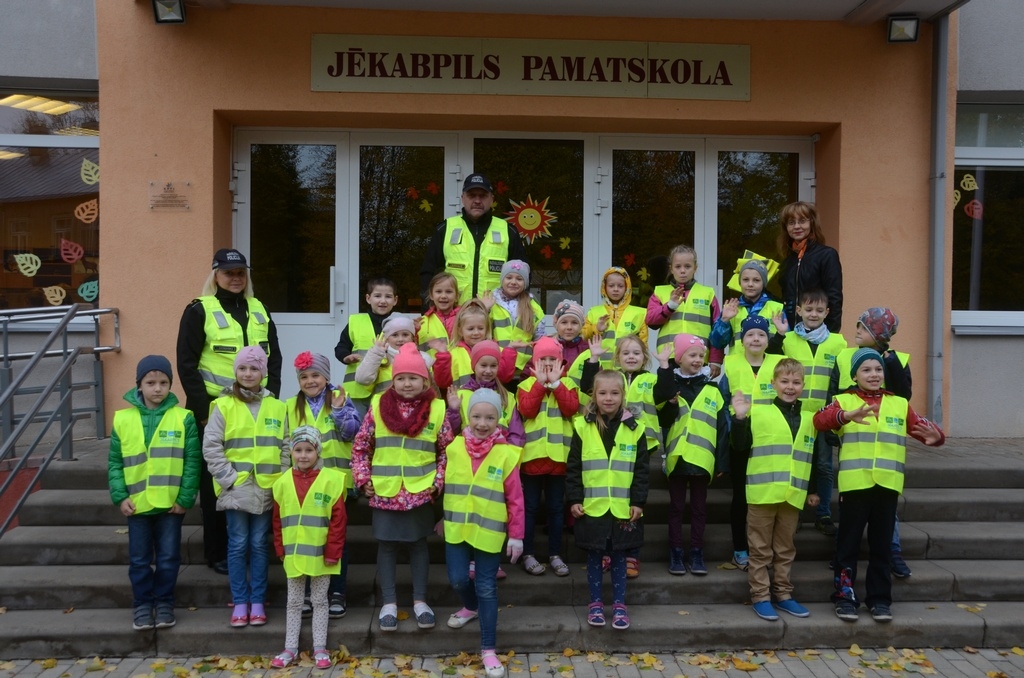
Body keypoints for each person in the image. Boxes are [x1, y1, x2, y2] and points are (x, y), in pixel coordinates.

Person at [814, 348, 944, 623]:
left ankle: (880, 600)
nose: (873, 374)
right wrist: (845, 417)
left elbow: (924, 430)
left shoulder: (899, 403)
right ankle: (844, 596)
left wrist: (937, 438)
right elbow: (819, 421)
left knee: (882, 546)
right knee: (847, 545)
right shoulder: (842, 400)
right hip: (855, 487)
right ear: (855, 375)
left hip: (887, 486)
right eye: (866, 370)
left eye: (878, 369)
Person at [176, 247, 282, 576]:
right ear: (216, 275)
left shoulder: (259, 309)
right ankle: (218, 550)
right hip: (215, 409)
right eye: (228, 273)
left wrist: (271, 399)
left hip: (256, 409)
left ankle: (256, 544)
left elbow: (274, 358)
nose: (235, 278)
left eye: (240, 273)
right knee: (217, 484)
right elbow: (186, 363)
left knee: (258, 474)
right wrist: (204, 411)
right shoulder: (199, 310)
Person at [351, 343, 456, 632]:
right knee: (386, 547)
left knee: (418, 546)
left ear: (425, 381)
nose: (406, 383)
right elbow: (361, 446)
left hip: (420, 490)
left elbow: (447, 450)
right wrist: (363, 479)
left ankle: (420, 601)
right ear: (393, 380)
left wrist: (438, 482)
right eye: (401, 378)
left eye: (413, 378)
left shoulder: (436, 408)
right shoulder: (377, 406)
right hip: (384, 490)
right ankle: (389, 603)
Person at [108, 355, 201, 631]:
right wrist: (119, 496)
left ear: (171, 385)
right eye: (151, 382)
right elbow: (115, 462)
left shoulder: (183, 418)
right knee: (139, 560)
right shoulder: (123, 419)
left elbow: (192, 461)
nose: (157, 388)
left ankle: (164, 603)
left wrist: (185, 499)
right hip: (136, 505)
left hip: (170, 505)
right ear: (139, 384)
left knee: (169, 557)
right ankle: (142, 605)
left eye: (163, 382)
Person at [730, 359, 821, 622]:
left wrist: (812, 489)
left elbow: (810, 456)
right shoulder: (757, 412)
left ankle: (784, 594)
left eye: (795, 382)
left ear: (803, 385)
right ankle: (760, 596)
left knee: (785, 549)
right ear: (773, 384)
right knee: (759, 550)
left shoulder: (809, 418)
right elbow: (739, 446)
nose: (790, 387)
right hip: (762, 493)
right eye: (784, 382)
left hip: (792, 494)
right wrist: (739, 418)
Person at [443, 389, 525, 678]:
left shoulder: (506, 454)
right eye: (476, 416)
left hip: (489, 533)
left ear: (498, 419)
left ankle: (488, 649)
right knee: (457, 579)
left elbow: (515, 498)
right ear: (468, 416)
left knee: (487, 587)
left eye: (489, 417)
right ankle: (470, 606)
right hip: (456, 529)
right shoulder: (453, 448)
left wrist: (516, 534)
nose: (482, 423)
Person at [203, 345, 286, 628]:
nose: (248, 373)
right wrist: (228, 478)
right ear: (235, 371)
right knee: (238, 543)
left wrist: (282, 478)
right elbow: (212, 446)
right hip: (235, 487)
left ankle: (258, 599)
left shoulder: (277, 406)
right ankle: (240, 600)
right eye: (242, 368)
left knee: (260, 543)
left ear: (263, 373)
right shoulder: (223, 405)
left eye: (254, 368)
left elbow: (285, 445)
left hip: (267, 485)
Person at [828, 307, 913, 577]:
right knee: (852, 505)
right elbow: (833, 391)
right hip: (855, 434)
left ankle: (893, 550)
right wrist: (837, 423)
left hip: (885, 445)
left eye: (863, 328)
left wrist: (888, 362)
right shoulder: (844, 357)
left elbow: (903, 394)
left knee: (886, 510)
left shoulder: (896, 360)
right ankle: (843, 556)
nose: (856, 332)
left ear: (879, 335)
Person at [567, 370, 649, 631]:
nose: (608, 398)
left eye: (615, 393)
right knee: (594, 557)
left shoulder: (636, 429)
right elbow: (573, 468)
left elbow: (642, 470)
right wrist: (574, 499)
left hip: (623, 508)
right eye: (602, 393)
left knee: (619, 557)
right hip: (593, 507)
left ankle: (619, 605)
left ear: (623, 395)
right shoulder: (582, 426)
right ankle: (595, 604)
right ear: (594, 395)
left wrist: (638, 501)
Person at [284, 351, 360, 619]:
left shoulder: (340, 398)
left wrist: (339, 412)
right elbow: (285, 444)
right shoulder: (291, 406)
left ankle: (337, 591)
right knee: (306, 537)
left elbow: (353, 432)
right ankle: (306, 591)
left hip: (336, 481)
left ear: (326, 376)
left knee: (336, 538)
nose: (310, 381)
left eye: (315, 375)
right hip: (303, 484)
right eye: (304, 377)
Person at [768, 289, 847, 537]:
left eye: (819, 310)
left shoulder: (838, 342)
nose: (814, 314)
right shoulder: (789, 339)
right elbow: (773, 364)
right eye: (809, 309)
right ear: (799, 311)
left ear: (827, 313)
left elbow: (840, 380)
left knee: (823, 465)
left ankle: (823, 512)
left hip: (824, 416)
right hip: (796, 414)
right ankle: (796, 509)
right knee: (798, 463)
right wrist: (779, 335)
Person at [270, 427, 347, 670]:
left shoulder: (332, 481)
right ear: (291, 452)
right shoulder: (282, 483)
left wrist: (333, 552)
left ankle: (320, 647)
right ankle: (290, 647)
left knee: (319, 601)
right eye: (298, 450)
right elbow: (277, 520)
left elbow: (338, 522)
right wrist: (281, 550)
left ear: (317, 451)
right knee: (293, 602)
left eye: (309, 450)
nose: (303, 455)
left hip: (321, 556)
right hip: (293, 556)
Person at [657, 335, 728, 577]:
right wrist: (671, 404)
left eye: (701, 355)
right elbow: (664, 421)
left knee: (699, 509)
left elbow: (722, 428)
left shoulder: (713, 389)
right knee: (676, 508)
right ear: (679, 358)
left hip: (703, 460)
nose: (698, 360)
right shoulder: (671, 387)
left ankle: (696, 552)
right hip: (678, 457)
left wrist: (721, 460)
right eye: (692, 355)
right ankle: (675, 552)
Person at [719, 315, 783, 572]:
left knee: (767, 498)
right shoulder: (731, 364)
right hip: (741, 439)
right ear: (742, 340)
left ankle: (765, 550)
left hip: (771, 443)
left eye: (761, 335)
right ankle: (740, 550)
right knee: (741, 497)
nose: (755, 339)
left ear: (768, 340)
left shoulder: (778, 364)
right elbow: (723, 401)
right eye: (750, 335)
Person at [515, 336, 579, 577]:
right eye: (543, 360)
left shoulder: (569, 384)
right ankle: (528, 553)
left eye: (553, 359)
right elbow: (528, 410)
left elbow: (571, 408)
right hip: (532, 459)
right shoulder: (525, 386)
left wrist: (556, 385)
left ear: (561, 362)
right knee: (530, 508)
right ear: (534, 362)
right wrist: (541, 384)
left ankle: (555, 554)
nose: (548, 364)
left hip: (559, 460)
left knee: (555, 510)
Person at [420, 173, 529, 305]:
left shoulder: (508, 231)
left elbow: (524, 276)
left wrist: (522, 312)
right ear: (463, 198)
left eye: (482, 196)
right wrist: (429, 311)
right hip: (453, 316)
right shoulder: (444, 229)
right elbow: (428, 274)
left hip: (496, 318)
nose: (477, 201)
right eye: (472, 195)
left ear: (491, 199)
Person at [646, 244, 723, 375]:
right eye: (678, 266)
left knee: (697, 395)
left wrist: (716, 359)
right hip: (669, 357)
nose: (683, 271)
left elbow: (718, 329)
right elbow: (651, 321)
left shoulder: (707, 293)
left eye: (687, 266)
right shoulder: (660, 292)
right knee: (671, 395)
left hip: (698, 357)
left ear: (695, 268)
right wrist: (670, 306)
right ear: (671, 269)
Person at [334, 277, 401, 416]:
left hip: (387, 390)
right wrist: (346, 357)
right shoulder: (356, 322)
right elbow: (341, 347)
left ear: (395, 300)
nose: (383, 301)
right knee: (357, 431)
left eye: (388, 296)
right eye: (377, 296)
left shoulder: (400, 324)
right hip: (358, 391)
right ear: (368, 298)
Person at [777, 201, 843, 332]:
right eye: (791, 222)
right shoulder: (788, 261)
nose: (797, 226)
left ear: (811, 223)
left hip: (818, 331)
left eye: (802, 221)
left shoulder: (827, 255)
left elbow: (834, 297)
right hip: (790, 331)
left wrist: (830, 332)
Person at [433, 299, 518, 391]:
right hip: (463, 403)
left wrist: (509, 350)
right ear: (460, 331)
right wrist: (442, 357)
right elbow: (442, 383)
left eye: (480, 328)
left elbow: (505, 377)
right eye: (470, 329)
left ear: (487, 329)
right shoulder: (453, 354)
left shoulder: (497, 350)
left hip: (490, 403)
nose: (476, 332)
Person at [482, 260, 545, 377]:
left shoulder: (533, 306)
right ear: (502, 280)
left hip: (524, 368)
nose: (513, 282)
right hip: (495, 365)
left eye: (519, 279)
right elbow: (479, 329)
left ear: (525, 283)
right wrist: (485, 310)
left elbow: (539, 337)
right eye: (509, 277)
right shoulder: (491, 301)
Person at [710, 259, 785, 352]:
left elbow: (786, 344)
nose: (750, 284)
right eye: (745, 280)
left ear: (764, 283)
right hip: (739, 365)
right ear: (740, 282)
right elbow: (717, 343)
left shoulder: (777, 308)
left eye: (756, 280)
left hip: (768, 365)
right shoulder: (732, 309)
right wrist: (724, 321)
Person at [355, 314, 433, 398]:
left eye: (405, 335)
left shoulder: (423, 359)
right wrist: (376, 353)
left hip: (416, 408)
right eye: (395, 335)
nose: (400, 339)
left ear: (412, 338)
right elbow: (362, 379)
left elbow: (430, 387)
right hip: (385, 408)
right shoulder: (380, 358)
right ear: (387, 338)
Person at [583, 267, 648, 367]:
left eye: (620, 286)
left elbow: (643, 344)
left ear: (627, 288)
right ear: (604, 287)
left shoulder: (639, 313)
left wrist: (640, 365)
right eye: (611, 286)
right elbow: (583, 336)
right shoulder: (594, 312)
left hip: (627, 369)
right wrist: (596, 328)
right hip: (599, 368)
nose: (616, 289)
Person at [524, 299, 587, 380]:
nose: (569, 327)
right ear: (556, 324)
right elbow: (528, 372)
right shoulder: (545, 345)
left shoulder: (586, 349)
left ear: (581, 325)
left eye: (574, 323)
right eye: (564, 322)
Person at [418, 272, 461, 355]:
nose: (443, 296)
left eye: (448, 292)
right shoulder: (423, 321)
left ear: (456, 296)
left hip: (458, 367)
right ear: (431, 295)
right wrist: (415, 332)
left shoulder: (463, 318)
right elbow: (416, 345)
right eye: (438, 291)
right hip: (433, 367)